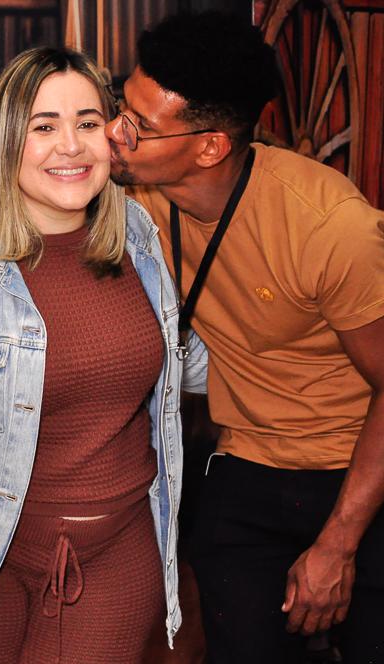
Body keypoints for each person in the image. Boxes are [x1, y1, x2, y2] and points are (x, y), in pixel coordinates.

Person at [0, 46, 207, 664]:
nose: (70, 146)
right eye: (43, 126)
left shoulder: (139, 236)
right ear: (4, 141)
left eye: (88, 122)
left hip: (114, 556)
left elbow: (187, 359)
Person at [105, 11, 384, 664]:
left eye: (140, 126)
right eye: (121, 108)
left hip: (359, 476)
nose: (116, 132)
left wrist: (338, 544)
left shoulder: (329, 227)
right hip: (245, 464)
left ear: (209, 147)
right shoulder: (139, 198)